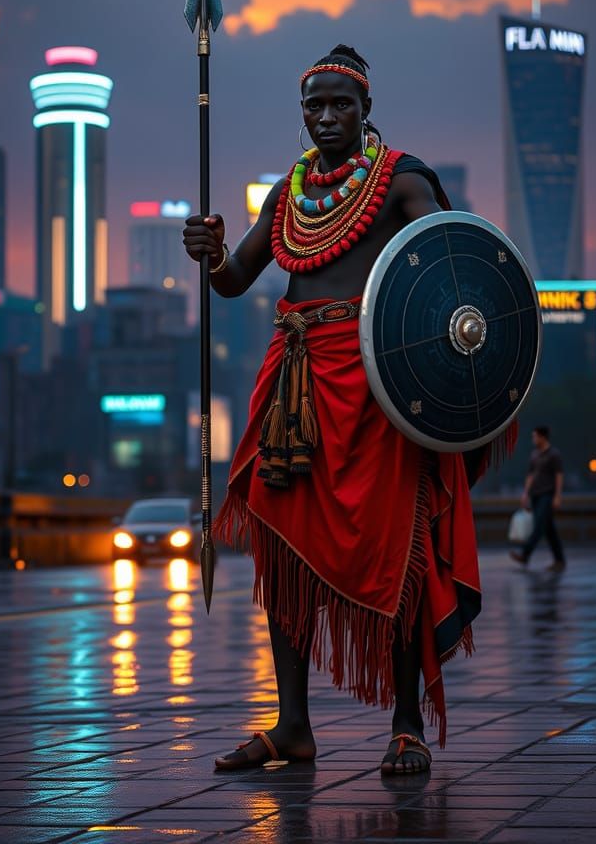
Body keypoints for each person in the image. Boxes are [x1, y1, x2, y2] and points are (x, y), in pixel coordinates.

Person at [184, 45, 488, 776]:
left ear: (365, 111)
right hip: (293, 383)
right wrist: (211, 253)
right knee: (282, 546)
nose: (326, 116)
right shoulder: (287, 195)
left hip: (378, 384)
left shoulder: (402, 180)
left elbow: (449, 254)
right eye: (314, 105)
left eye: (340, 104)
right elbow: (235, 279)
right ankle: (293, 726)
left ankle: (407, 724)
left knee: (394, 546)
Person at [510, 425, 566, 572]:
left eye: (535, 436)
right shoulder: (534, 454)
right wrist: (525, 493)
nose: (533, 439)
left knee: (539, 526)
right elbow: (530, 475)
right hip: (535, 495)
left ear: (542, 437)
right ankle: (559, 560)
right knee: (549, 529)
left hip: (547, 495)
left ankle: (525, 554)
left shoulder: (554, 454)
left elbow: (559, 475)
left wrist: (558, 495)